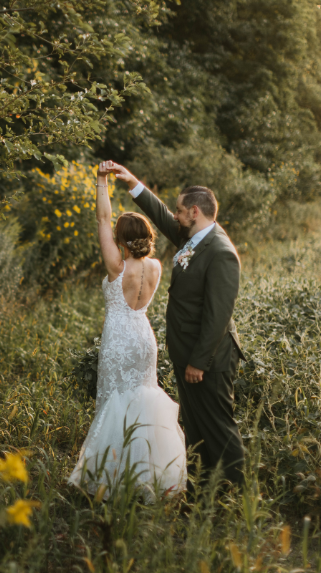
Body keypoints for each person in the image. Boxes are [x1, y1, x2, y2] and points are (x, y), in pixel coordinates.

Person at [100, 160, 247, 486]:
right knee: (195, 426)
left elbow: (218, 314)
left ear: (195, 211)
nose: (176, 216)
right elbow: (162, 217)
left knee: (219, 428)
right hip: (188, 354)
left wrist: (198, 361)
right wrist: (131, 182)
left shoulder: (220, 251)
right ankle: (203, 490)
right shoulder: (193, 238)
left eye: (180, 211)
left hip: (209, 360)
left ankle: (241, 496)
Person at [67, 161, 187, 501]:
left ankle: (113, 479)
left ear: (121, 240)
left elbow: (102, 219)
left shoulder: (117, 266)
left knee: (113, 404)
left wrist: (101, 180)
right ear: (147, 237)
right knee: (143, 404)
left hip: (119, 337)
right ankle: (152, 477)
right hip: (144, 337)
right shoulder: (156, 266)